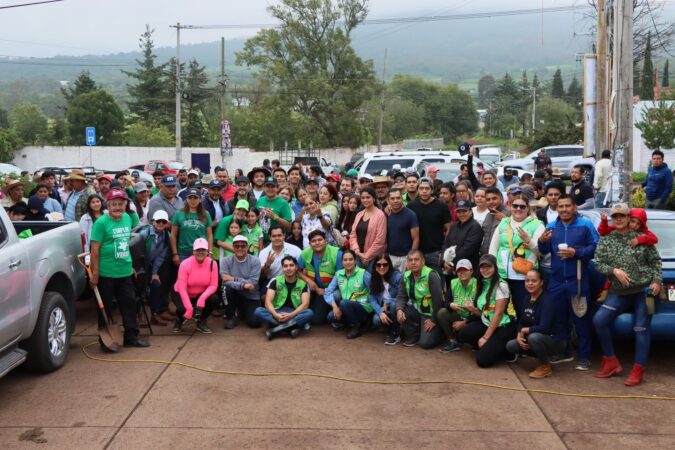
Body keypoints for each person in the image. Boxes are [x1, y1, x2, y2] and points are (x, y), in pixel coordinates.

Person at [593, 203, 662, 386]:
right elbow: (598, 263)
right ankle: (610, 361)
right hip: (619, 292)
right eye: (615, 216)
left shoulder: (642, 238)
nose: (618, 219)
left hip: (645, 292)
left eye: (622, 216)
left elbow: (656, 262)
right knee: (599, 320)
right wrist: (614, 270)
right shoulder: (606, 239)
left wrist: (656, 281)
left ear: (628, 217)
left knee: (642, 328)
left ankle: (639, 369)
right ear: (612, 219)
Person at [537, 194, 598, 370]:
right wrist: (542, 241)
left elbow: (595, 247)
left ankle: (584, 357)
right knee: (559, 319)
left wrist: (576, 253)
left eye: (567, 206)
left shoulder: (585, 225)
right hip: (556, 280)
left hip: (577, 280)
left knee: (581, 318)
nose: (564, 209)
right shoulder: (551, 226)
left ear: (575, 208)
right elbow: (544, 250)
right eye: (561, 206)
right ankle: (563, 352)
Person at [89, 190, 149, 348]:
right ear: (107, 205)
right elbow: (94, 249)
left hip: (124, 271)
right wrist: (95, 274)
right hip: (106, 273)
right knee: (105, 308)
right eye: (114, 204)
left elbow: (126, 244)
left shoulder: (127, 218)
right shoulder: (101, 223)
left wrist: (131, 266)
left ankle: (131, 337)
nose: (117, 207)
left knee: (129, 304)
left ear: (125, 205)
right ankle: (105, 340)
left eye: (121, 204)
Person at [489, 195, 545, 319]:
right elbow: (493, 247)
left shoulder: (537, 225)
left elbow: (541, 251)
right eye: (515, 206)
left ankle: (521, 333)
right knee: (500, 308)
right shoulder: (504, 222)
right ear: (510, 207)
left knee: (521, 308)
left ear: (528, 209)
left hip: (523, 275)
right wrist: (492, 269)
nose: (518, 209)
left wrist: (528, 240)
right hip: (502, 273)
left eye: (522, 206)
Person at [506, 270, 568, 378]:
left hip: (556, 341)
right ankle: (541, 355)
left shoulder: (548, 300)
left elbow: (544, 328)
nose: (530, 283)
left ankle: (545, 366)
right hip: (538, 337)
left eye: (534, 281)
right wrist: (518, 333)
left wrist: (524, 330)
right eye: (527, 280)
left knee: (534, 337)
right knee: (511, 345)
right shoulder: (526, 298)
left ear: (541, 282)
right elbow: (521, 321)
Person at [457, 254, 516, 367]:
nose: (485, 270)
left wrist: (485, 337)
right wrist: (474, 310)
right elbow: (486, 312)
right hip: (487, 322)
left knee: (482, 361)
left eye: (488, 267)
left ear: (495, 267)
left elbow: (498, 314)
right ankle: (490, 346)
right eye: (482, 267)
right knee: (464, 334)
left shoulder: (501, 285)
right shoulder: (483, 283)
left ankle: (507, 352)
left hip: (503, 326)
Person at [254, 255, 313, 337]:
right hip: (277, 312)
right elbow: (268, 302)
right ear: (282, 268)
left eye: (291, 265)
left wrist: (291, 315)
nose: (288, 268)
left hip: (294, 314)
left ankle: (276, 328)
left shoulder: (303, 284)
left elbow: (305, 304)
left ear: (296, 267)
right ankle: (290, 328)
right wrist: (275, 315)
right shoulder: (275, 280)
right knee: (258, 311)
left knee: (309, 313)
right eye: (285, 266)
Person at [395, 250, 444, 349]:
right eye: (410, 260)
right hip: (418, 310)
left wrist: (433, 320)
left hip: (431, 314)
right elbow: (401, 296)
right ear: (407, 263)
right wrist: (399, 309)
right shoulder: (405, 276)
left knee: (425, 344)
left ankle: (441, 333)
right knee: (400, 311)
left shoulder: (431, 275)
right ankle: (414, 336)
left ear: (423, 262)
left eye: (416, 259)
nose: (413, 262)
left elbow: (438, 301)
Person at [171, 238, 219, 333]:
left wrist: (201, 299)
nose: (200, 252)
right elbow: (182, 288)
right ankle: (179, 319)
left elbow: (214, 285)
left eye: (203, 250)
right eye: (198, 250)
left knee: (214, 298)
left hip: (200, 293)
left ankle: (201, 321)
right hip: (181, 292)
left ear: (207, 251)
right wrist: (189, 307)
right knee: (183, 309)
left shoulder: (212, 264)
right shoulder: (185, 264)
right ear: (193, 251)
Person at [324, 249, 373, 338]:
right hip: (347, 306)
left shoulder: (363, 273)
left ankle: (356, 327)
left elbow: (374, 291)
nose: (348, 262)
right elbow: (328, 292)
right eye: (345, 260)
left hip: (363, 307)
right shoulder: (338, 274)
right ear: (342, 262)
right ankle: (352, 321)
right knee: (331, 316)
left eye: (350, 259)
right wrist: (335, 307)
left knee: (344, 303)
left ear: (355, 261)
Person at [407, 178, 451, 274]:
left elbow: (449, 228)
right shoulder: (411, 206)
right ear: (417, 190)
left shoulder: (441, 206)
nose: (424, 191)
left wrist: (444, 249)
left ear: (432, 190)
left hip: (436, 252)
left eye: (427, 188)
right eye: (421, 188)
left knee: (436, 283)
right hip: (417, 253)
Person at [298, 230, 343, 325]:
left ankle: (337, 313)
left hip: (335, 289)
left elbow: (340, 276)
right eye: (314, 241)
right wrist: (308, 281)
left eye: (320, 240)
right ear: (310, 244)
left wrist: (327, 290)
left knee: (335, 297)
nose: (317, 243)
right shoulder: (305, 253)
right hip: (315, 289)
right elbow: (297, 270)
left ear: (326, 241)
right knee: (316, 320)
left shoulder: (337, 253)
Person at [139, 210, 173, 325]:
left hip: (150, 266)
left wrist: (154, 273)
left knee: (156, 285)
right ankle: (138, 316)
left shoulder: (166, 236)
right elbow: (135, 252)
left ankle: (154, 314)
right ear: (153, 221)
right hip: (139, 266)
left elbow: (160, 256)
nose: (161, 224)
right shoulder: (144, 234)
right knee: (140, 291)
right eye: (159, 221)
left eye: (164, 222)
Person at [221, 234, 262, 329]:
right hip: (235, 293)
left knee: (255, 323)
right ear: (233, 247)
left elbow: (253, 283)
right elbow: (225, 281)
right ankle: (231, 316)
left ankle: (242, 311)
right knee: (224, 288)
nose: (240, 248)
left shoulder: (255, 261)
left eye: (243, 246)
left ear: (247, 247)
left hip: (251, 295)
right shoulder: (225, 261)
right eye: (237, 246)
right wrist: (242, 285)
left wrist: (234, 279)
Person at [436, 259, 477, 353]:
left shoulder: (478, 284)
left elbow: (481, 312)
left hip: (473, 318)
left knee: (470, 332)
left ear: (471, 271)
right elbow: (446, 302)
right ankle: (453, 341)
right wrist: (451, 304)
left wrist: (465, 323)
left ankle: (473, 342)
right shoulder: (454, 282)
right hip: (458, 315)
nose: (462, 273)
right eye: (459, 270)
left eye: (465, 270)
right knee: (442, 313)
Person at [170, 188, 213, 263]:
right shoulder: (179, 213)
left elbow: (209, 235)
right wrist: (175, 254)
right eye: (190, 198)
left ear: (200, 200)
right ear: (186, 199)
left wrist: (210, 251)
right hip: (184, 252)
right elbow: (173, 235)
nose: (192, 201)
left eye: (195, 198)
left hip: (201, 251)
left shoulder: (206, 214)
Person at [368, 253, 403, 345]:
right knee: (376, 320)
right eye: (379, 265)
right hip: (384, 308)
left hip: (398, 307)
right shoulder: (374, 278)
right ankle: (390, 328)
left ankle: (395, 334)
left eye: (385, 264)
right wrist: (380, 312)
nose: (382, 267)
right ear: (375, 266)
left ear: (389, 265)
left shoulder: (397, 276)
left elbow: (402, 296)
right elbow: (371, 298)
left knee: (392, 305)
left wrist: (388, 302)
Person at [442, 200, 484, 273]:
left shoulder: (475, 227)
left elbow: (467, 249)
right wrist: (445, 261)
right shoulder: (453, 226)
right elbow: (446, 244)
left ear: (470, 211)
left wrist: (451, 262)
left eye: (464, 211)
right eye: (458, 212)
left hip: (468, 268)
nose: (461, 214)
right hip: (451, 267)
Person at [349, 187, 387, 268]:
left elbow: (380, 240)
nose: (365, 200)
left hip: (373, 258)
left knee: (370, 279)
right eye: (363, 198)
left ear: (373, 198)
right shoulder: (359, 214)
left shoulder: (380, 215)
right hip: (358, 256)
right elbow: (353, 235)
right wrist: (357, 251)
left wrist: (367, 256)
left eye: (368, 197)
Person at [386, 188, 419, 274]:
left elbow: (416, 238)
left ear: (402, 198)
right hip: (390, 256)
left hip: (405, 257)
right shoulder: (387, 214)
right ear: (388, 201)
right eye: (392, 199)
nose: (396, 201)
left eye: (398, 198)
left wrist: (411, 258)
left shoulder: (411, 215)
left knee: (405, 284)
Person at [480, 187, 508, 256]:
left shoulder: (509, 213)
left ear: (501, 198)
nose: (491, 202)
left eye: (494, 198)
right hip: (486, 256)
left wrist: (505, 220)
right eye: (488, 200)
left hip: (501, 257)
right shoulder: (488, 215)